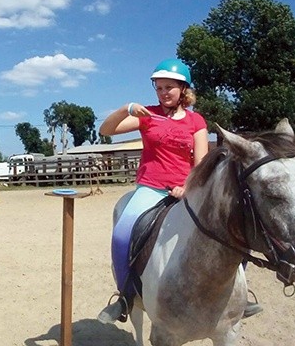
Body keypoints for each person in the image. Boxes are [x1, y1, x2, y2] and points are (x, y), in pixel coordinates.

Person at [97, 59, 262, 324]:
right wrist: (125, 109)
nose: (163, 93)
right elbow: (105, 130)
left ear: (183, 89)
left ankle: (240, 296)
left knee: (233, 227)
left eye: (169, 87)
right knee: (121, 234)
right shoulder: (147, 115)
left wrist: (188, 186)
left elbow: (202, 163)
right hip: (151, 188)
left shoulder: (196, 121)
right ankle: (125, 296)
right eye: (159, 87)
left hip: (188, 188)